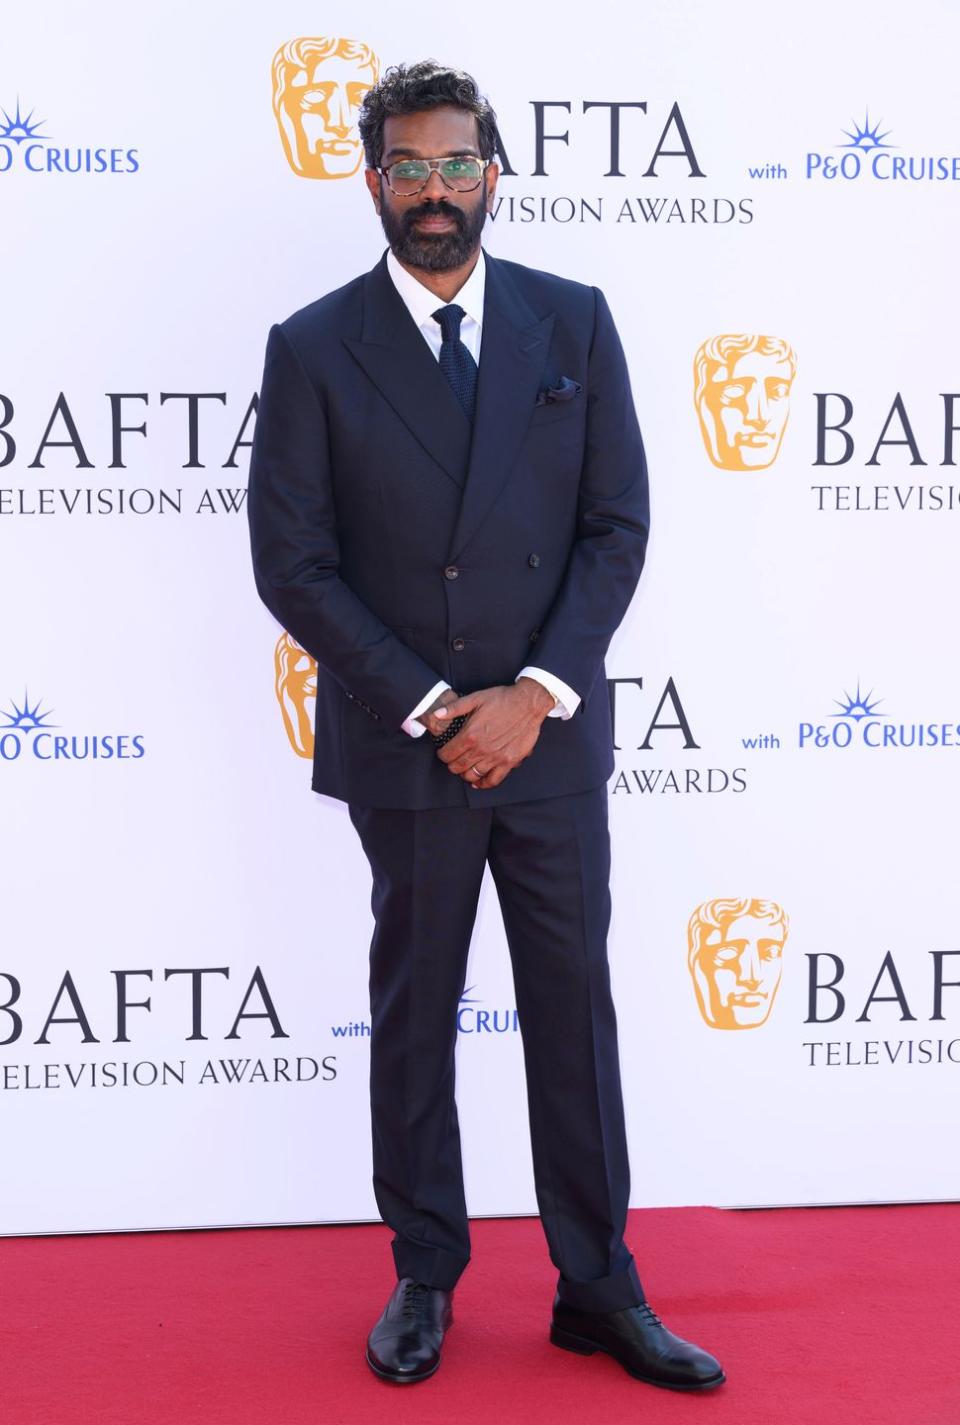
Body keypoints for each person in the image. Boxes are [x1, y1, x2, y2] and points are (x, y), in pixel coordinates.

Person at [248, 58, 725, 1392]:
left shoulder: (571, 325)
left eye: (461, 164)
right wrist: (430, 702)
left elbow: (616, 526)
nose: (438, 190)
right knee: (415, 1013)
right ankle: (423, 1272)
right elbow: (293, 562)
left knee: (572, 1008)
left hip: (550, 739)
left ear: (497, 173)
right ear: (372, 180)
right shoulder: (314, 344)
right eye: (412, 166)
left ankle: (599, 1284)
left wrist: (533, 695)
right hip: (407, 740)